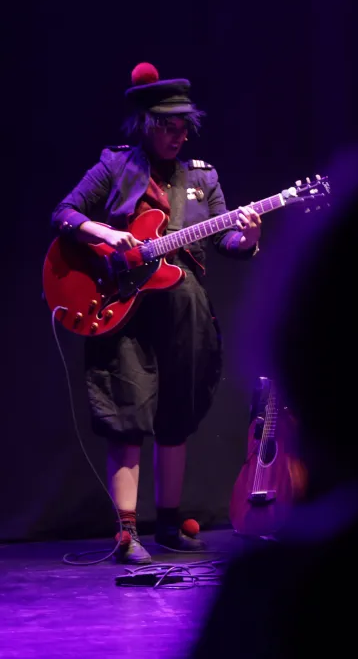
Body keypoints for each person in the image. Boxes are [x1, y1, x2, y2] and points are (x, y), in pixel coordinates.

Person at [50, 62, 262, 563]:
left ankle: (168, 522)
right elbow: (65, 213)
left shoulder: (202, 177)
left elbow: (227, 239)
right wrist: (105, 233)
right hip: (123, 307)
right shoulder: (115, 166)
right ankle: (126, 533)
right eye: (169, 125)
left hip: (183, 307)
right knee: (126, 412)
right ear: (146, 123)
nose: (179, 135)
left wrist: (249, 235)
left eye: (184, 125)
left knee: (178, 410)